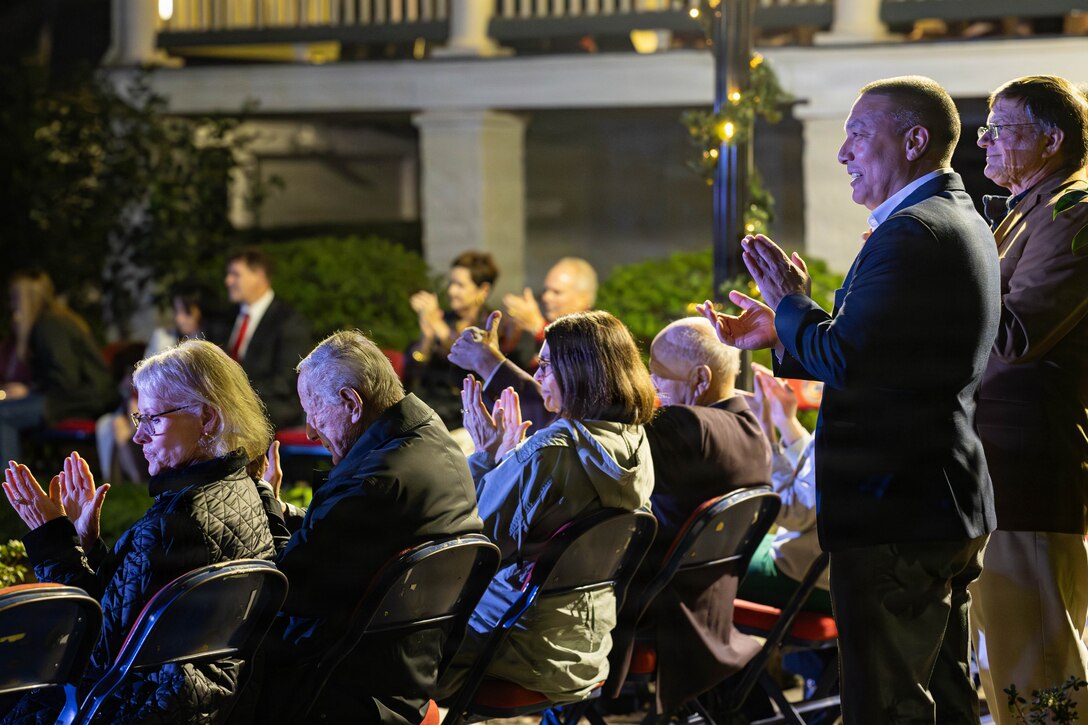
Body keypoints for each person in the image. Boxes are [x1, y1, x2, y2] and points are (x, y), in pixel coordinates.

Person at [699, 76, 1001, 724]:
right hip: (937, 497)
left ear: (915, 140)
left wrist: (790, 303)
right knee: (945, 698)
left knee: (886, 706)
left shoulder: (914, 231)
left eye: (859, 134)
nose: (844, 153)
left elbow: (851, 359)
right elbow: (878, 353)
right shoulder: (955, 218)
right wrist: (782, 326)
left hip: (897, 507)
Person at [1, 339, 277, 723]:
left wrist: (52, 541)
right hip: (195, 703)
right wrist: (88, 546)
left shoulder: (176, 522)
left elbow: (89, 653)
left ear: (208, 419)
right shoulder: (243, 489)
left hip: (131, 708)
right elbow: (133, 609)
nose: (138, 437)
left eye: (154, 420)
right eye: (139, 418)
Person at [257, 330, 482, 725]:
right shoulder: (432, 437)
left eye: (314, 412)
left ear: (351, 402)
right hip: (409, 671)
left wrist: (263, 509)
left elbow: (286, 588)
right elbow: (341, 539)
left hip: (346, 688)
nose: (309, 431)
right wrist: (280, 508)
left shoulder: (374, 482)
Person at [440, 310, 656, 702]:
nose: (536, 376)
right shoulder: (636, 443)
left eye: (546, 365)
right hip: (585, 647)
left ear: (583, 373)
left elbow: (467, 546)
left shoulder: (548, 453)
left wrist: (487, 456)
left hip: (513, 644)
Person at [968, 75, 1088, 724]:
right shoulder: (1027, 206)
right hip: (998, 471)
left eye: (1001, 127)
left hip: (1029, 469)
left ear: (1051, 139)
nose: (986, 140)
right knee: (1010, 669)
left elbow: (1017, 333)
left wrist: (944, 275)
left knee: (1042, 677)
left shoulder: (1075, 210)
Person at [606, 317, 771, 715]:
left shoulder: (689, 426)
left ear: (700, 378)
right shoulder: (752, 431)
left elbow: (599, 434)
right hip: (709, 611)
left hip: (654, 616)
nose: (651, 388)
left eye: (658, 376)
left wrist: (495, 369)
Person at [448, 258, 598, 429]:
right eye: (545, 290)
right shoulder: (534, 332)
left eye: (557, 292)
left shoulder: (596, 336)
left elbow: (566, 387)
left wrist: (538, 328)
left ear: (584, 298)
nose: (546, 297)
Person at [738, 363, 830, 614]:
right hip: (830, 573)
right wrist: (784, 419)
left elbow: (794, 513)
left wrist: (766, 432)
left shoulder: (841, 423)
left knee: (706, 565)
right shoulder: (868, 408)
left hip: (806, 576)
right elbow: (815, 476)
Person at [405, 250, 532, 431]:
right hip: (429, 410)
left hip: (467, 417)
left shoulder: (493, 326)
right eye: (451, 283)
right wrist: (427, 337)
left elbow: (475, 360)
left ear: (483, 289)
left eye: (460, 285)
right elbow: (412, 371)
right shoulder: (445, 319)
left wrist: (438, 326)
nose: (451, 291)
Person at [0, 270, 113, 465]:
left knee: (3, 414)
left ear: (26, 300)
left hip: (83, 399)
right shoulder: (55, 319)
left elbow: (64, 379)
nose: (11, 305)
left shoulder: (49, 325)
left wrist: (29, 390)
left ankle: (11, 481)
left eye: (14, 299)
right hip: (80, 396)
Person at [221, 247, 311, 429]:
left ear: (259, 276)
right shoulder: (227, 318)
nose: (228, 281)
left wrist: (236, 392)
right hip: (230, 402)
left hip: (272, 406)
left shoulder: (289, 320)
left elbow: (287, 381)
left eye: (235, 274)